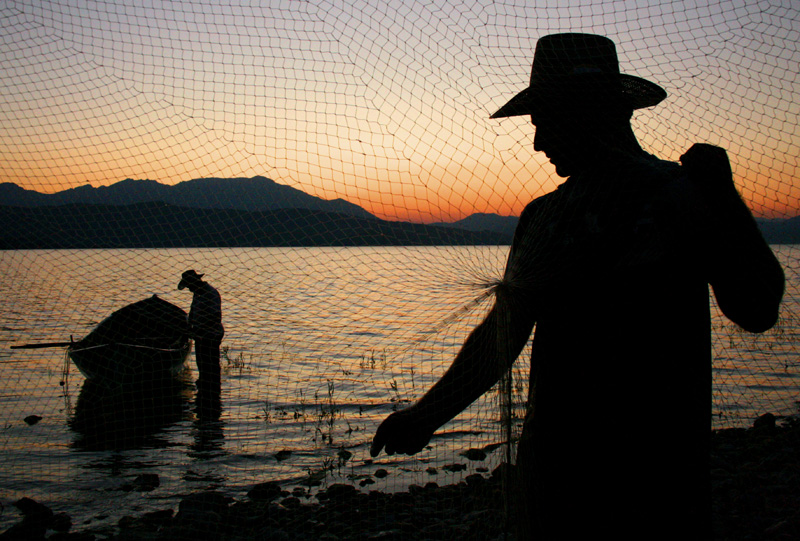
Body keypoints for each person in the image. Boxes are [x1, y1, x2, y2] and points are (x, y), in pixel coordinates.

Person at [370, 33, 784, 539]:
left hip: (656, 488)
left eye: (545, 123)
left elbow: (757, 307)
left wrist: (722, 198)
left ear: (591, 112)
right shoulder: (545, 216)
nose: (540, 143)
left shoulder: (682, 196)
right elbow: (503, 332)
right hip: (562, 483)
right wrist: (425, 417)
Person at [178, 269, 225, 393]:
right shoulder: (198, 294)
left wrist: (197, 331)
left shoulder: (211, 294)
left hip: (211, 336)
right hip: (200, 336)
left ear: (195, 282)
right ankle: (205, 387)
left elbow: (215, 318)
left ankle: (212, 389)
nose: (188, 289)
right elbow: (193, 314)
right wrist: (188, 328)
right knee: (202, 365)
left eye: (189, 285)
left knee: (211, 365)